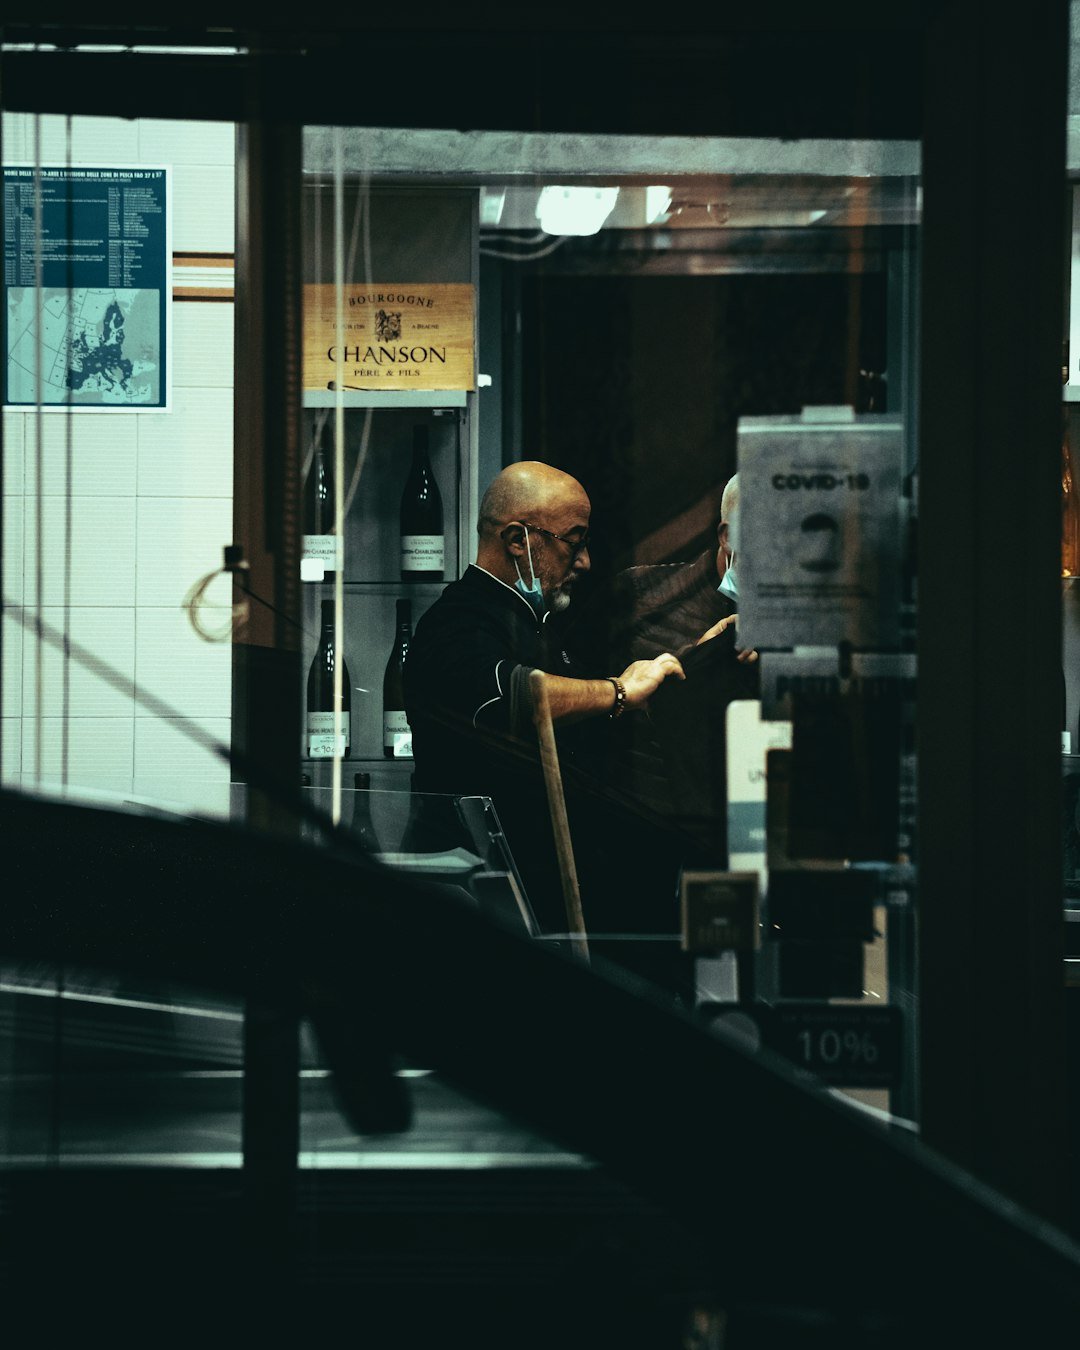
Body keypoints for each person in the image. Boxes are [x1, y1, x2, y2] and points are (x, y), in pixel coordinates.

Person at [403, 460, 687, 939]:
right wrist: (619, 691)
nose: (585, 562)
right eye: (573, 542)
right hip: (481, 896)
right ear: (518, 540)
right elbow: (517, 694)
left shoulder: (532, 626)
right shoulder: (456, 624)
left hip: (538, 895)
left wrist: (699, 652)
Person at [562, 473, 759, 866]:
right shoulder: (638, 597)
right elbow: (567, 706)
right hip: (636, 843)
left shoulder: (814, 629)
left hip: (754, 840)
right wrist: (696, 661)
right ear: (728, 537)